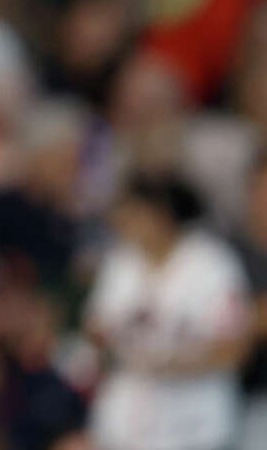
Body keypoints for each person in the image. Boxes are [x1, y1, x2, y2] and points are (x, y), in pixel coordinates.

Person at [85, 173, 253, 450]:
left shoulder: (212, 263)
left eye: (133, 214)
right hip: (128, 419)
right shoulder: (120, 261)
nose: (123, 223)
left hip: (196, 422)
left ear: (161, 215)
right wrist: (116, 343)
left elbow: (236, 349)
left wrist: (176, 363)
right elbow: (96, 328)